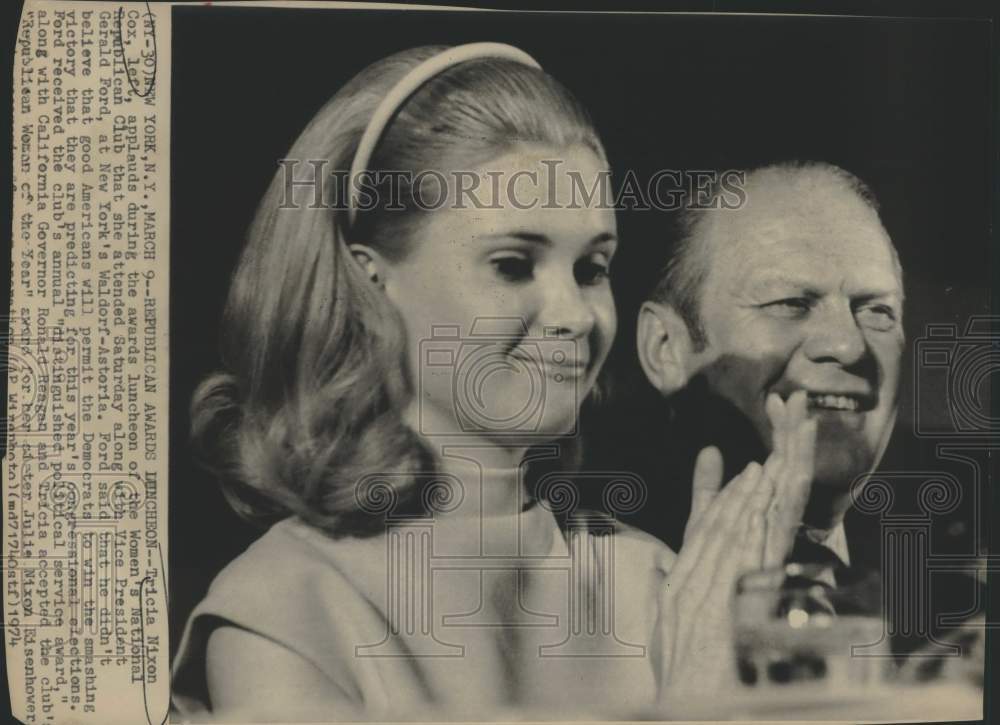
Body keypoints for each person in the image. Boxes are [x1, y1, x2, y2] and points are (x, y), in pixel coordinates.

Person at [170, 44, 816, 721]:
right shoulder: (286, 613)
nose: (574, 315)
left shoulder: (658, 579)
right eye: (513, 264)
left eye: (592, 269)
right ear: (371, 280)